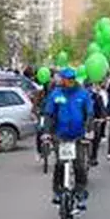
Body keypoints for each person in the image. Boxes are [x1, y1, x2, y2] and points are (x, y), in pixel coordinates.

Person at [43, 69, 94, 209]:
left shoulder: (83, 94)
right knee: (60, 164)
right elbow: (48, 114)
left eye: (71, 79)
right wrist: (46, 132)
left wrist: (89, 130)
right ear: (62, 80)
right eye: (66, 79)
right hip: (60, 135)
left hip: (78, 135)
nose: (68, 81)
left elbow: (89, 113)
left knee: (79, 165)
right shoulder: (56, 94)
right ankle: (57, 191)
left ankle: (80, 193)